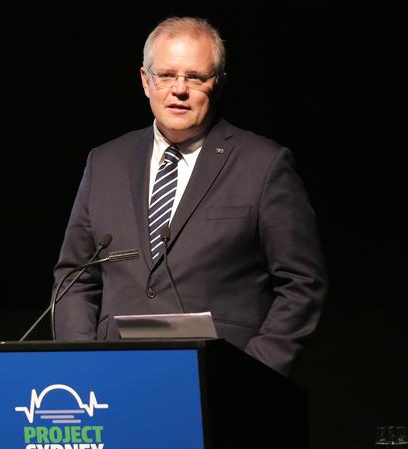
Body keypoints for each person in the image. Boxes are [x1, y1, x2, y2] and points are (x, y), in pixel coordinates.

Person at [53, 16, 327, 375]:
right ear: (145, 81)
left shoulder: (263, 164)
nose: (178, 89)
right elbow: (75, 277)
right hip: (115, 381)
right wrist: (84, 366)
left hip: (222, 382)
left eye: (195, 77)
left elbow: (302, 285)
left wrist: (252, 374)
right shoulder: (104, 163)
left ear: (218, 83)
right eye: (166, 75)